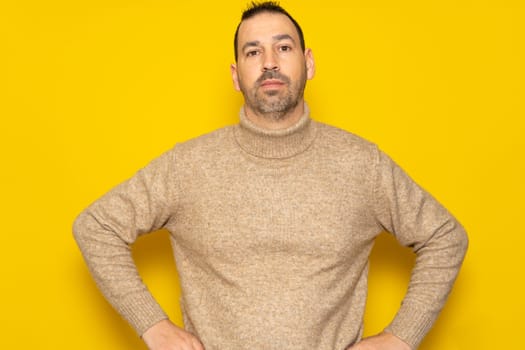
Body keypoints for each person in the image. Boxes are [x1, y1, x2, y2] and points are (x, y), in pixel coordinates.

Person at [73, 2, 468, 350]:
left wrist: (401, 337)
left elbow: (445, 237)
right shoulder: (188, 166)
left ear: (308, 62)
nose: (269, 63)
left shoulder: (362, 164)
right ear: (235, 75)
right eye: (253, 51)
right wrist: (154, 326)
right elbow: (96, 227)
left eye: (283, 47)